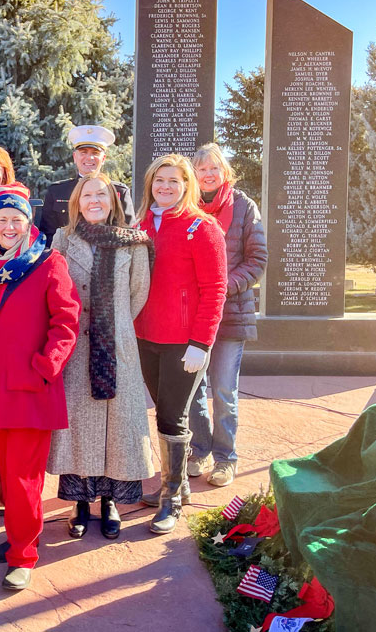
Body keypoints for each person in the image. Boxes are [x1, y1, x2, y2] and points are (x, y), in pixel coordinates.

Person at [0, 183, 80, 591]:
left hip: (31, 388)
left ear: (28, 222)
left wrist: (44, 367)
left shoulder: (48, 263)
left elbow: (66, 322)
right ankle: (21, 535)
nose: (9, 226)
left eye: (16, 219)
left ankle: (24, 556)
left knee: (23, 477)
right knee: (10, 473)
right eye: (1, 219)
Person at [47, 174, 154, 541]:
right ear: (77, 201)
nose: (94, 200)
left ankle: (109, 501)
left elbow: (138, 295)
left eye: (102, 195)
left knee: (116, 427)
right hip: (76, 346)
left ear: (113, 201)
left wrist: (113, 322)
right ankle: (79, 503)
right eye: (87, 195)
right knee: (78, 425)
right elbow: (53, 288)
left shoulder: (134, 244)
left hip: (116, 347)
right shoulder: (63, 239)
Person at [134, 154, 226, 535]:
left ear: (187, 185)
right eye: (160, 180)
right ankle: (180, 485)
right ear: (150, 185)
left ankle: (170, 498)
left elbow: (215, 289)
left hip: (183, 343)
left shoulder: (201, 228)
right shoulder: (139, 226)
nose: (166, 187)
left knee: (174, 415)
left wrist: (201, 343)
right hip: (145, 336)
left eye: (174, 181)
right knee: (162, 412)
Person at [185, 143, 266, 487]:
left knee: (223, 390)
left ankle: (225, 458)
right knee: (193, 389)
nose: (207, 175)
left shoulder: (244, 207)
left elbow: (257, 260)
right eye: (201, 169)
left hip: (231, 314)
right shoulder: (185, 207)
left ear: (225, 173)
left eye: (213, 169)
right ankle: (199, 449)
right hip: (192, 316)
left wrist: (221, 286)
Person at [39, 125, 134, 245]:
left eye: (95, 153)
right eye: (83, 152)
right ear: (75, 157)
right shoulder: (57, 192)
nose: (89, 158)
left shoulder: (119, 191)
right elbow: (47, 236)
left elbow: (129, 233)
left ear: (103, 158)